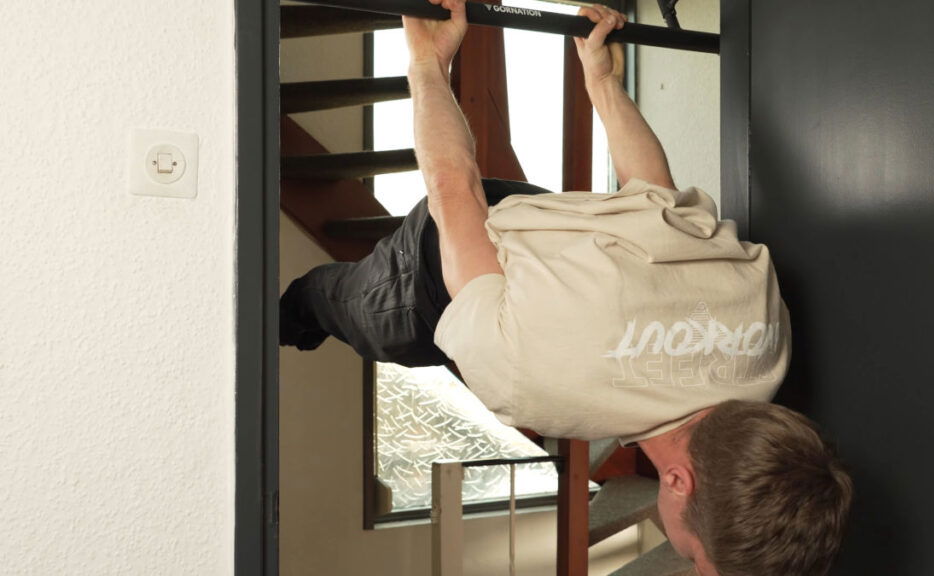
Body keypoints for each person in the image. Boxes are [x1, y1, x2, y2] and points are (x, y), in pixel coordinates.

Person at [280, 1, 853, 574]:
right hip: (430, 279)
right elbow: (454, 191)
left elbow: (653, 194)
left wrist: (602, 80)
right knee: (329, 301)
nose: (690, 564)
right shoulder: (533, 381)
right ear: (677, 482)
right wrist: (428, 63)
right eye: (696, 560)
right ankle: (285, 319)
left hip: (533, 216)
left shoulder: (768, 341)